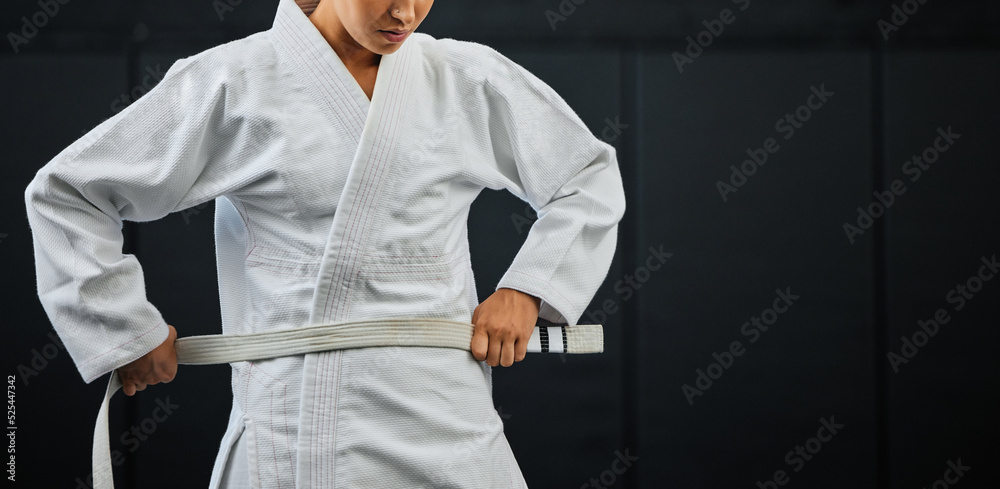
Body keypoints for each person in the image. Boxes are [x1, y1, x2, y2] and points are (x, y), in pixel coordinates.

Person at [24, 0, 626, 486]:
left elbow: (586, 177)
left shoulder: (467, 77)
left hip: (444, 409)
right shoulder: (234, 81)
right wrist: (120, 325)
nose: (406, 12)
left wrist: (527, 289)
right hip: (296, 424)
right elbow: (68, 192)